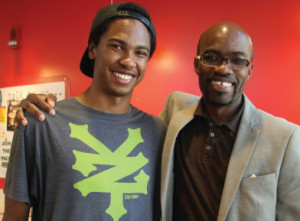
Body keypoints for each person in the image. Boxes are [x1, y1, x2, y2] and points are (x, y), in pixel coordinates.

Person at [14, 22, 300, 220]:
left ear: (250, 70)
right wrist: (34, 104)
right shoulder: (174, 120)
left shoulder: (285, 138)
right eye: (212, 57)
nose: (224, 69)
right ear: (197, 64)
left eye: (237, 61)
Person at [3, 2, 166, 221]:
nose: (128, 61)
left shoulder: (160, 133)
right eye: (117, 46)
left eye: (140, 52)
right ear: (92, 49)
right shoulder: (41, 123)